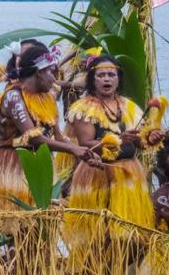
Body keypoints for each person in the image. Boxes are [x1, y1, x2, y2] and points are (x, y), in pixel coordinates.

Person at [0, 43, 98, 210]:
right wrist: (74, 150)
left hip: (41, 162)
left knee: (42, 223)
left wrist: (84, 153)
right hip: (11, 165)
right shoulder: (13, 96)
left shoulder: (46, 98)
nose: (54, 78)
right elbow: (34, 137)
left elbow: (57, 137)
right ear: (39, 73)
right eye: (52, 72)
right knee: (14, 225)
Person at [65, 54, 163, 239]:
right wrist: (119, 140)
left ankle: (119, 266)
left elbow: (140, 142)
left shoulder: (130, 107)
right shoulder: (83, 109)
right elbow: (86, 144)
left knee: (130, 237)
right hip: (96, 173)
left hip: (128, 173)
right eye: (101, 75)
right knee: (97, 235)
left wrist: (151, 138)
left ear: (119, 79)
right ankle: (94, 267)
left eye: (111, 75)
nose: (107, 79)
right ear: (93, 80)